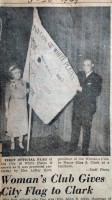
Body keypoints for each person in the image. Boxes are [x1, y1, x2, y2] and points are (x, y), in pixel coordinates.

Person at [69, 58, 102, 156]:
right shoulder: (79, 75)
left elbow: (96, 92)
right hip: (77, 107)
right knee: (75, 128)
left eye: (88, 65)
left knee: (86, 130)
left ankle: (84, 151)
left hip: (88, 109)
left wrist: (81, 89)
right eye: (84, 65)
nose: (86, 67)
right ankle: (72, 147)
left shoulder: (97, 77)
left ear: (92, 65)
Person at [5, 65, 28, 150]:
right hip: (14, 105)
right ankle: (12, 142)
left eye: (18, 72)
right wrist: (7, 111)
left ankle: (20, 142)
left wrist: (28, 92)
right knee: (13, 124)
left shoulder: (24, 82)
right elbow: (6, 99)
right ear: (12, 74)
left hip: (22, 105)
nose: (17, 74)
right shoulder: (10, 84)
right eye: (15, 73)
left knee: (22, 123)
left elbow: (25, 93)